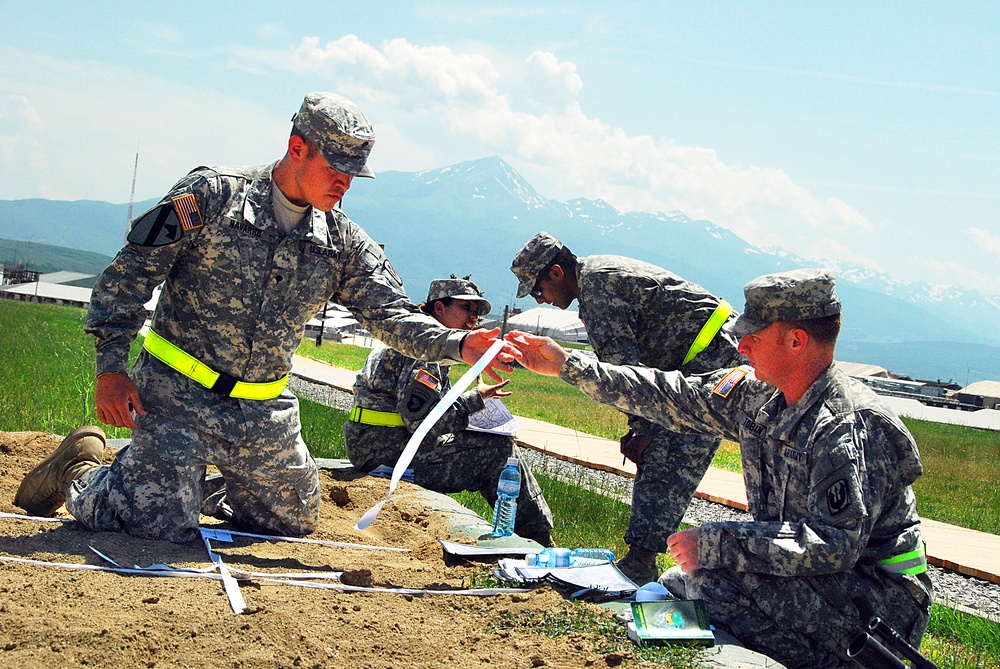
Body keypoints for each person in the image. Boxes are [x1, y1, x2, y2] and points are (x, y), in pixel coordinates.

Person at [14, 92, 518, 544]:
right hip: (174, 401)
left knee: (290, 523)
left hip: (263, 414)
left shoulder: (342, 242)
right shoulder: (212, 198)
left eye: (353, 173)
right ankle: (83, 472)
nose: (344, 183)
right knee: (157, 524)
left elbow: (390, 315)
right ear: (298, 147)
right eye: (334, 167)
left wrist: (463, 346)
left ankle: (191, 484)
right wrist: (110, 367)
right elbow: (128, 278)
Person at [508, 269, 932, 669]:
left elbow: (834, 544)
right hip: (823, 581)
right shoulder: (760, 395)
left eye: (753, 336)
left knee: (710, 583)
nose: (741, 346)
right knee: (685, 578)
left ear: (797, 341)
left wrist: (716, 543)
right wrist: (568, 365)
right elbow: (671, 395)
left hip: (878, 599)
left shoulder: (847, 426)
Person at [509, 232, 743, 584]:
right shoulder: (598, 277)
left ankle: (642, 562)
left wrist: (643, 430)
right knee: (663, 444)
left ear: (557, 272)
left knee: (668, 450)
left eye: (538, 289)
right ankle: (643, 559)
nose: (541, 300)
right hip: (707, 356)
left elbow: (622, 377)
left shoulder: (599, 292)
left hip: (714, 361)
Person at [344, 275, 554, 546]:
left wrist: (473, 400)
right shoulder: (427, 350)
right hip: (387, 450)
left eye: (476, 312)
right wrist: (472, 403)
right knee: (499, 451)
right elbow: (422, 423)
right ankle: (537, 539)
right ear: (439, 308)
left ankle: (530, 535)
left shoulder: (416, 339)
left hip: (375, 443)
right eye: (466, 308)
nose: (473, 319)